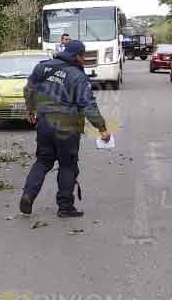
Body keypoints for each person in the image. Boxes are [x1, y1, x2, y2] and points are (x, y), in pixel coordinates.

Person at [20, 40, 111, 218]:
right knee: (67, 164)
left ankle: (28, 195)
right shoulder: (77, 76)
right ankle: (65, 207)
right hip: (67, 126)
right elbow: (88, 104)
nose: (84, 60)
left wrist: (31, 109)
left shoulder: (43, 67)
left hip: (45, 123)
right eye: (83, 56)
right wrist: (102, 128)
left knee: (43, 161)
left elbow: (29, 89)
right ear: (77, 56)